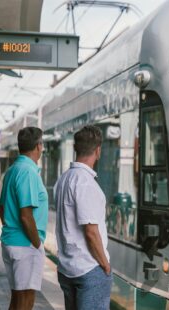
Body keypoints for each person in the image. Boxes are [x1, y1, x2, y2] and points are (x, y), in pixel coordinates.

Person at [54, 125, 112, 310]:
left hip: (67, 269)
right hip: (88, 269)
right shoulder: (85, 183)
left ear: (75, 149)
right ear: (98, 150)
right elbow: (91, 232)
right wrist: (105, 265)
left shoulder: (63, 179)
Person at [0, 127, 48, 310]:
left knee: (17, 300)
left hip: (11, 242)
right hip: (26, 246)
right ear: (38, 146)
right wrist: (37, 245)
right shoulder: (28, 171)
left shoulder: (12, 170)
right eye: (41, 144)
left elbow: (1, 207)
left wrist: (10, 227)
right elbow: (26, 216)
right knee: (26, 302)